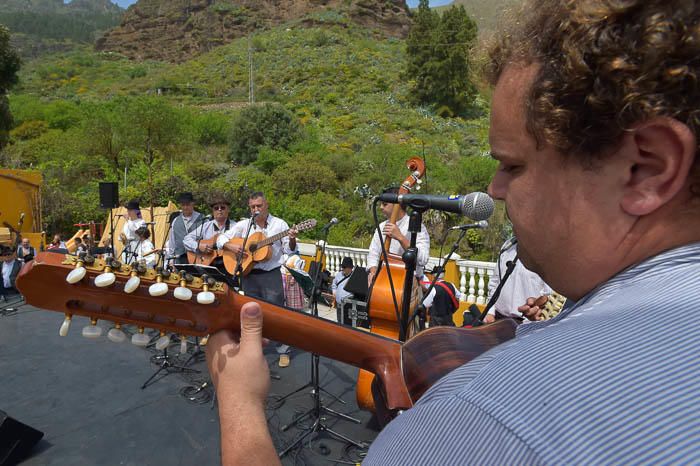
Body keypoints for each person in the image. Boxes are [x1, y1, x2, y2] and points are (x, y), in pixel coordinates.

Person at [205, 1, 700, 464]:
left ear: (646, 169)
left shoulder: (486, 414)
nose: (494, 188)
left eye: (512, 164)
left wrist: (241, 403)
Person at [217, 192, 298, 363]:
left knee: (276, 313)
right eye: (253, 206)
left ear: (266, 205)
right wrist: (230, 245)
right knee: (251, 313)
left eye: (259, 206)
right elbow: (221, 238)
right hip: (249, 274)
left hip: (271, 274)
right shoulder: (244, 225)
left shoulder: (279, 224)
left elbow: (290, 251)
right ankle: (254, 349)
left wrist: (291, 239)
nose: (256, 209)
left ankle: (282, 349)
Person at [366, 186, 430, 285]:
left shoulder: (418, 227)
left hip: (409, 283)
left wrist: (400, 237)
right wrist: (373, 271)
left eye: (385, 204)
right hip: (383, 280)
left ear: (398, 205)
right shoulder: (381, 226)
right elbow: (373, 254)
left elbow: (422, 259)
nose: (381, 207)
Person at [483, 238, 553, 323]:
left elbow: (549, 295)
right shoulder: (509, 244)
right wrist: (490, 312)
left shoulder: (547, 251)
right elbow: (495, 282)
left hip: (527, 323)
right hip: (497, 319)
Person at [183, 195, 232, 272]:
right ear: (213, 211)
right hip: (207, 265)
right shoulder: (205, 226)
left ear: (228, 210)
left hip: (227, 266)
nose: (219, 210)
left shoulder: (236, 227)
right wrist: (198, 246)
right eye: (216, 208)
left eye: (222, 207)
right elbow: (186, 239)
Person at [169, 192, 204, 264]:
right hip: (179, 259)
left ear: (193, 204)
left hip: (197, 259)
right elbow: (172, 241)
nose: (185, 207)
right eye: (183, 205)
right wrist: (171, 259)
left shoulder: (203, 219)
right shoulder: (175, 220)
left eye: (187, 204)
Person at [119, 200, 146, 264]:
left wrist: (128, 220)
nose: (128, 212)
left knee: (134, 264)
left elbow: (135, 230)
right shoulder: (127, 222)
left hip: (136, 247)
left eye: (130, 210)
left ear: (136, 211)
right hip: (127, 247)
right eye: (128, 210)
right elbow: (123, 233)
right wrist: (122, 237)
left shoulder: (141, 222)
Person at [331, 256, 354, 323]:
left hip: (348, 307)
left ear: (350, 268)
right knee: (339, 322)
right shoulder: (339, 275)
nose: (342, 269)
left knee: (347, 324)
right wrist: (334, 292)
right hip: (339, 305)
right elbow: (334, 284)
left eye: (344, 267)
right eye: (342, 267)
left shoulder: (354, 277)